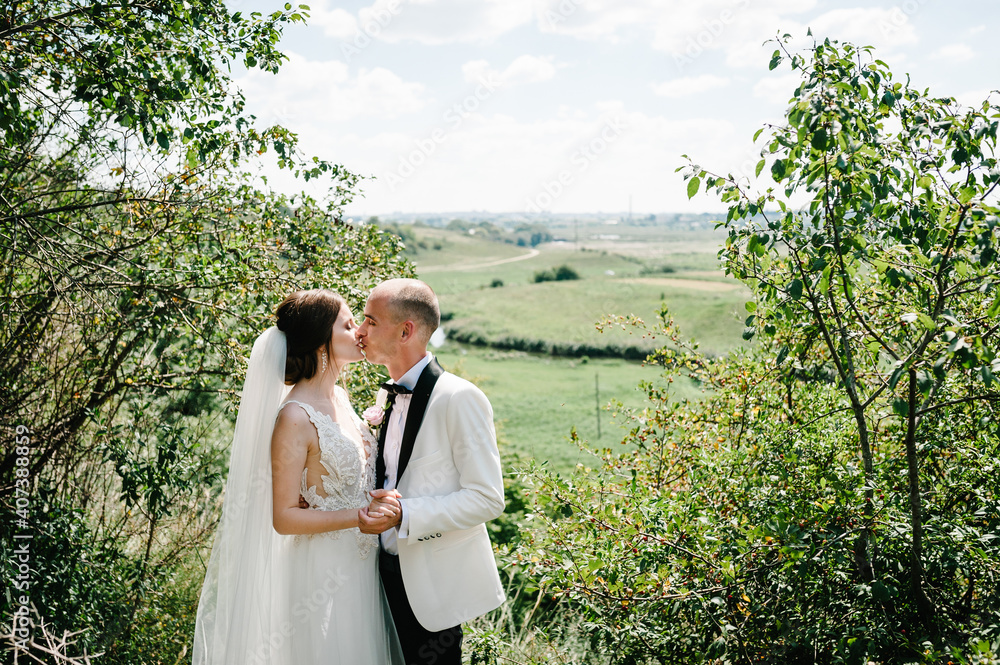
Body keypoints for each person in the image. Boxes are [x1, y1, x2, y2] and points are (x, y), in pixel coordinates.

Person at [192, 289, 403, 665]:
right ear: (321, 340)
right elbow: (285, 517)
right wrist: (358, 517)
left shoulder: (340, 398)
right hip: (319, 574)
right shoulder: (294, 416)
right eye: (348, 323)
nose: (358, 332)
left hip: (362, 570)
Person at [355, 278, 506, 665]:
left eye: (371, 321)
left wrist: (406, 514)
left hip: (430, 589)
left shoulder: (460, 397)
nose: (360, 330)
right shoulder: (384, 395)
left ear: (405, 331)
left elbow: (487, 498)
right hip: (375, 579)